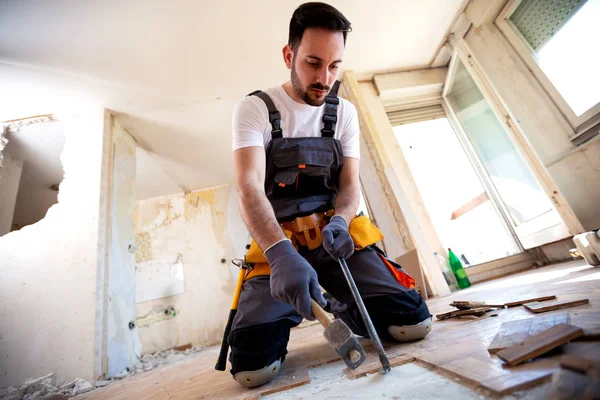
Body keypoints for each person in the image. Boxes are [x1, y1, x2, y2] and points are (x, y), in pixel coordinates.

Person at [229, 2, 432, 388]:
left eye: (335, 65)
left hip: (334, 239)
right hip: (279, 244)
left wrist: (341, 220)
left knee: (413, 324)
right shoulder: (255, 109)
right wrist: (279, 253)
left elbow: (351, 183)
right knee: (253, 370)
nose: (325, 77)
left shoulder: (344, 113)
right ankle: (287, 306)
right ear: (289, 55)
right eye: (313, 62)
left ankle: (350, 306)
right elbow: (249, 186)